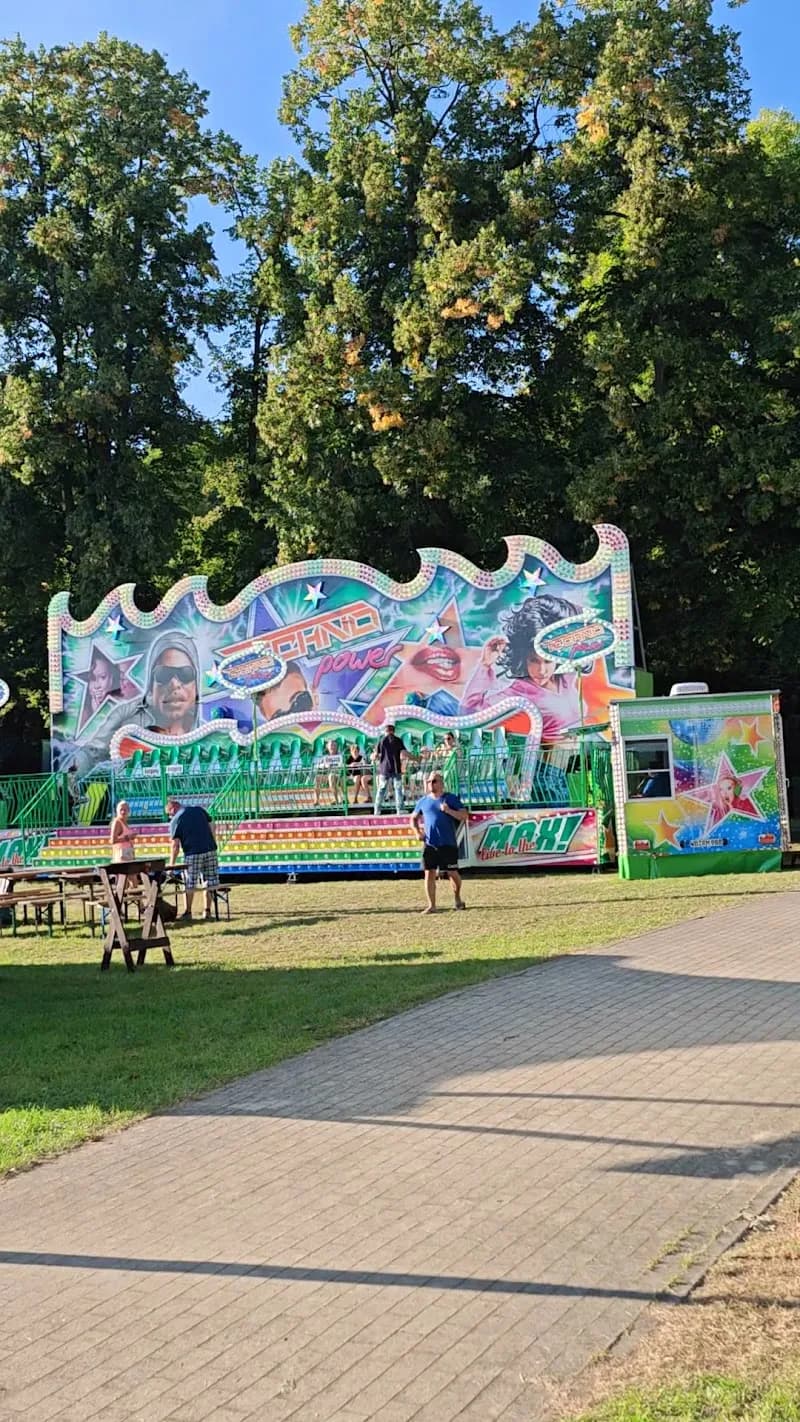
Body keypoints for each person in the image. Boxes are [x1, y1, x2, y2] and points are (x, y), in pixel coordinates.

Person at [462, 594, 583, 740]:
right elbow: (469, 713)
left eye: (548, 661)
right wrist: (484, 665)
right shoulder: (519, 692)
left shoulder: (565, 678)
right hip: (549, 760)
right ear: (523, 659)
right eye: (533, 661)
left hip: (581, 758)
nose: (541, 671)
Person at [411, 770, 469, 914]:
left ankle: (457, 898)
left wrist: (449, 811)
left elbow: (464, 815)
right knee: (429, 873)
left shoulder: (450, 799)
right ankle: (432, 905)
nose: (431, 784)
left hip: (448, 843)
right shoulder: (423, 801)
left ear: (442, 783)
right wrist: (417, 832)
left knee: (452, 873)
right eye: (429, 781)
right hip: (430, 843)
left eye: (434, 781)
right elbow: (413, 818)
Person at [166, 794, 219, 921]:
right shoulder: (199, 810)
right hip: (210, 849)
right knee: (210, 881)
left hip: (192, 853)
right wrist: (213, 841)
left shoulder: (175, 820)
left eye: (169, 814)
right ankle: (207, 911)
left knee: (190, 883)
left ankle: (188, 912)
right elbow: (212, 824)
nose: (169, 817)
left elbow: (175, 846)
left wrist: (171, 866)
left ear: (172, 809)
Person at [146, 633, 200, 737]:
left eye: (185, 674)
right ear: (151, 685)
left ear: (196, 685)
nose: (174, 684)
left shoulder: (213, 735)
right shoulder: (131, 732)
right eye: (164, 674)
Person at [373, 722, 408, 815]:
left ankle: (377, 809)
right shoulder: (398, 740)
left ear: (386, 731)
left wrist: (373, 757)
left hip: (384, 769)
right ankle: (400, 809)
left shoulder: (381, 740)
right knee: (398, 789)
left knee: (381, 790)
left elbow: (375, 755)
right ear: (393, 731)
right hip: (396, 768)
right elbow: (404, 753)